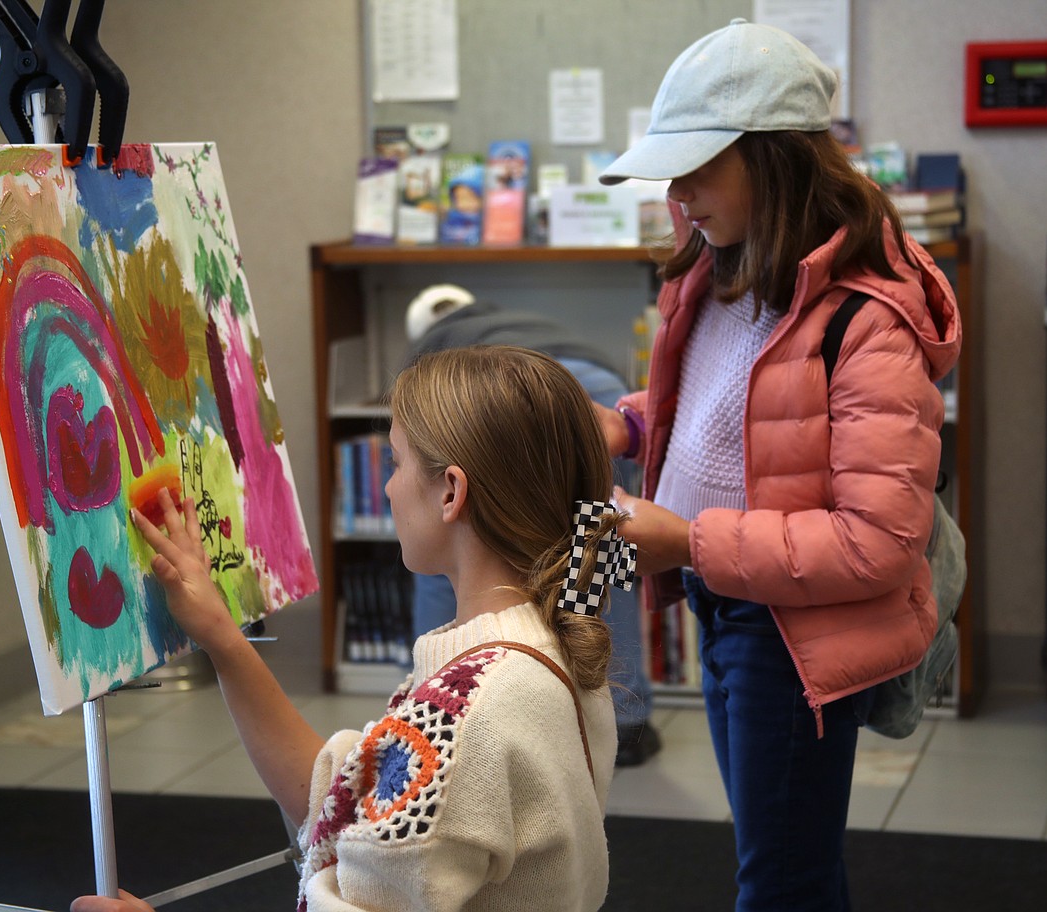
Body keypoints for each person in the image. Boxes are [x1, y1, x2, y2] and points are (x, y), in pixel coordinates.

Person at [595, 18, 961, 912]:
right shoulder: (719, 274)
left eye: (697, 166)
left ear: (777, 158)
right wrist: (628, 427)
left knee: (779, 882)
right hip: (726, 606)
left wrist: (686, 538)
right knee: (789, 861)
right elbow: (737, 416)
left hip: (790, 633)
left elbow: (876, 541)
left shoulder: (866, 323)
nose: (678, 193)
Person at [72, 345, 632, 912]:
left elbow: (415, 789)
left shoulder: (466, 715)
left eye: (394, 462)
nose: (387, 488)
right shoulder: (554, 642)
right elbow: (343, 799)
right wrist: (222, 637)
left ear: (450, 492)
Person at [402, 283, 660, 767]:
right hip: (597, 395)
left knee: (451, 547)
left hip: (514, 403)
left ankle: (431, 699)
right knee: (602, 547)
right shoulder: (509, 316)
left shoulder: (430, 352)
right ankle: (624, 717)